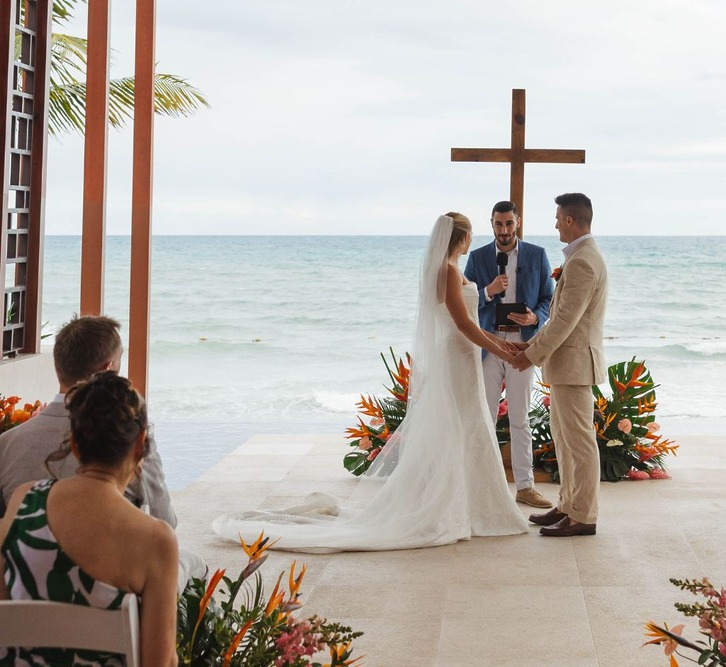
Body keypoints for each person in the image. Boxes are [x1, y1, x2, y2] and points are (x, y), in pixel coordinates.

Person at [212, 213, 529, 551]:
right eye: (470, 235)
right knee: (460, 427)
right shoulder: (448, 271)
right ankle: (459, 508)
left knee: (468, 427)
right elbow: (463, 324)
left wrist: (503, 346)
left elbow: (467, 324)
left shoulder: (449, 269)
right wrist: (499, 348)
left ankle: (472, 505)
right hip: (456, 356)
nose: (471, 241)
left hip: (463, 355)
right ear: (462, 238)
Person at [0, 372, 179, 666]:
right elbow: (159, 662)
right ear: (139, 445)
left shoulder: (23, 501)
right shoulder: (155, 540)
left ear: (75, 444)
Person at [0, 315, 174, 524]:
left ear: (58, 366)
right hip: (110, 552)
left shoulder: (7, 442)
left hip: (26, 554)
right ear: (108, 369)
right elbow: (163, 518)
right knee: (188, 558)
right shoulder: (125, 435)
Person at [512, 193, 607, 537]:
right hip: (567, 365)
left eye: (557, 218)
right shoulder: (580, 256)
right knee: (565, 440)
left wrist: (530, 355)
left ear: (570, 220)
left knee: (580, 443)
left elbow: (565, 320)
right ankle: (568, 505)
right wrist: (531, 346)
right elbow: (557, 319)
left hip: (576, 365)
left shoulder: (583, 261)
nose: (554, 224)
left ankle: (583, 515)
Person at [464, 200, 554, 509]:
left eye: (509, 224)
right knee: (485, 417)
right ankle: (484, 486)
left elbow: (549, 298)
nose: (504, 230)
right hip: (488, 345)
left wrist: (536, 319)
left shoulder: (537, 255)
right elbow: (463, 303)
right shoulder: (476, 259)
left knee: (520, 418)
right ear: (491, 224)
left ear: (518, 223)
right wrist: (488, 291)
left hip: (522, 347)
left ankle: (525, 487)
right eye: (498, 224)